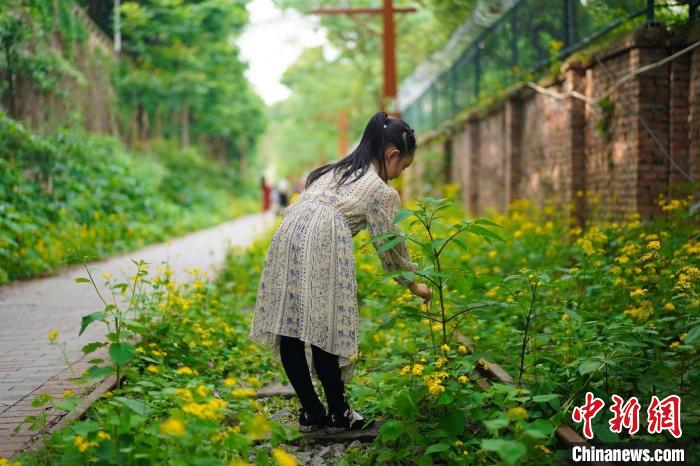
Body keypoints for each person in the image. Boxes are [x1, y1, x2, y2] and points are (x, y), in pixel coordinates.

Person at [249, 112, 431, 434]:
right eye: (403, 167)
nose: (400, 176)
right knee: (325, 324)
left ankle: (312, 410)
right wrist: (413, 284)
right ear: (392, 154)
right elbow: (389, 244)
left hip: (289, 230)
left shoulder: (333, 171)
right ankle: (339, 412)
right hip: (324, 234)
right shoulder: (379, 189)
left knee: (290, 325)